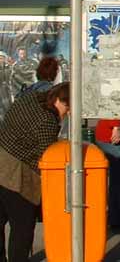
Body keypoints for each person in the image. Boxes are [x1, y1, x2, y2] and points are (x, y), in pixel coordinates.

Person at [0, 82, 70, 261]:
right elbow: (45, 158)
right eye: (68, 107)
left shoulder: (30, 98)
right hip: (17, 176)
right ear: (59, 101)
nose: (67, 113)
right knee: (22, 227)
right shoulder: (48, 121)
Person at [95, 119, 120, 232]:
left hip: (110, 133)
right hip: (114, 136)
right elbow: (116, 102)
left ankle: (115, 218)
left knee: (116, 180)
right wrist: (116, 127)